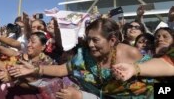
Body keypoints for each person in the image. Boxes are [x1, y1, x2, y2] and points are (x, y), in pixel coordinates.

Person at [8, 18, 153, 99]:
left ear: (113, 40)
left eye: (95, 40)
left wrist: (81, 96)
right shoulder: (84, 53)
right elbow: (63, 69)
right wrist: (36, 69)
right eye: (88, 39)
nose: (90, 45)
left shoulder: (132, 54)